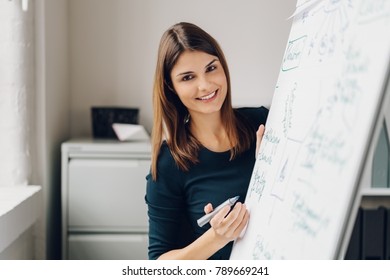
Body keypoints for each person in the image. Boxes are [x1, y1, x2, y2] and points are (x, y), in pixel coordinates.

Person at [145, 22, 268, 260]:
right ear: (172, 88)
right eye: (188, 77)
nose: (206, 85)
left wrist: (271, 171)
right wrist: (216, 238)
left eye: (211, 68)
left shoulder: (263, 124)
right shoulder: (168, 163)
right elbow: (157, 264)